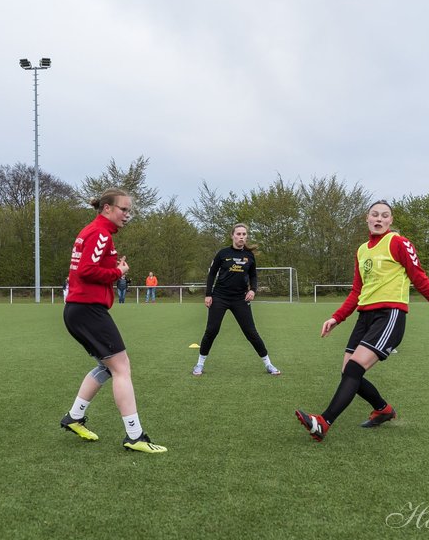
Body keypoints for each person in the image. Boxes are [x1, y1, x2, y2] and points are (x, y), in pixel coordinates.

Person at [295, 200, 429, 441]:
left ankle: (323, 422)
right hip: (365, 316)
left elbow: (420, 278)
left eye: (385, 216)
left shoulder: (398, 242)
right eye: (375, 214)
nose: (379, 219)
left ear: (390, 221)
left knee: (354, 368)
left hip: (390, 315)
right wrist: (336, 318)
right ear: (367, 218)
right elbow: (356, 291)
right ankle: (383, 410)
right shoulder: (362, 250)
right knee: (348, 372)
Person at [59, 188, 166, 454]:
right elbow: (87, 271)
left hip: (79, 310)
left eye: (129, 210)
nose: (127, 215)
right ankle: (135, 436)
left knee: (108, 367)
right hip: (87, 310)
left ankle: (74, 417)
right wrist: (117, 271)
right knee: (121, 368)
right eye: (124, 209)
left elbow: (87, 267)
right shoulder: (100, 233)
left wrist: (112, 268)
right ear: (107, 208)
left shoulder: (95, 232)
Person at [192, 223, 280, 376]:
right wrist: (208, 294)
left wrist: (252, 290)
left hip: (240, 299)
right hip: (220, 297)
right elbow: (212, 274)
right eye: (238, 234)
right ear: (232, 235)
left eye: (244, 234)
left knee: (251, 332)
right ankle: (199, 364)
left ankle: (268, 364)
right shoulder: (222, 253)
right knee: (212, 330)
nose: (241, 237)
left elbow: (253, 276)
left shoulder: (249, 256)